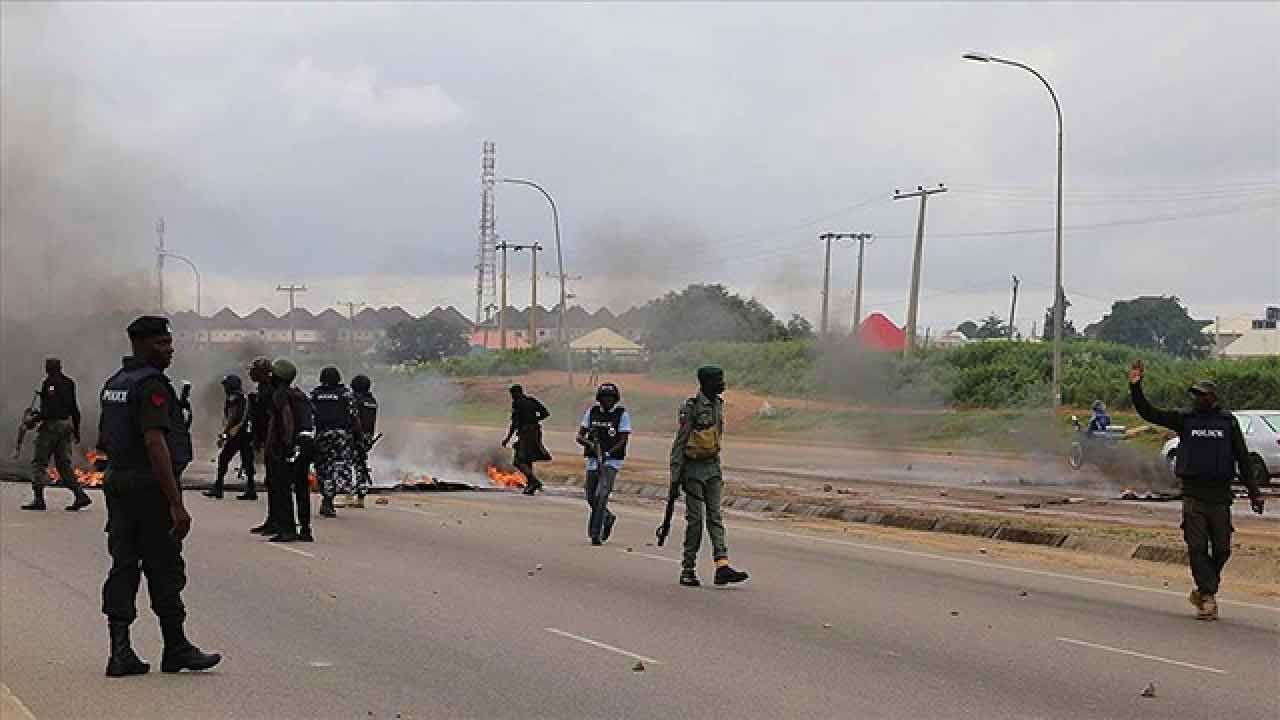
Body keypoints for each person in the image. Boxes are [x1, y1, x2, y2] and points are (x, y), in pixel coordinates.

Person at [98, 315, 220, 677]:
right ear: (142, 344)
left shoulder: (114, 383)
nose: (170, 350)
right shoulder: (151, 385)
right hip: (148, 488)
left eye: (169, 342)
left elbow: (107, 438)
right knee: (164, 565)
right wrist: (176, 503)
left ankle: (120, 652)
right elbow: (155, 442)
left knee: (123, 564)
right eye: (162, 343)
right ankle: (176, 647)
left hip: (119, 483)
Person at [1129, 359, 1264, 620]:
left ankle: (1204, 590)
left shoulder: (1228, 423)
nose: (1197, 399)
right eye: (1195, 395)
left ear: (1212, 397)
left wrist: (1255, 492)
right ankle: (1208, 596)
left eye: (1202, 395)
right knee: (1197, 546)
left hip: (1220, 497)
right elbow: (1149, 413)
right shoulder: (1185, 420)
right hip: (1193, 496)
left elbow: (1243, 458)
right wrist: (1136, 387)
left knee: (1223, 549)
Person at [669, 366, 748, 588]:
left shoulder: (718, 405)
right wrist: (675, 478)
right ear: (705, 383)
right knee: (695, 522)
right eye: (718, 380)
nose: (723, 384)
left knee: (715, 518)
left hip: (712, 468)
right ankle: (688, 569)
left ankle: (722, 566)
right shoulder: (691, 408)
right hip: (692, 471)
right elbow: (680, 443)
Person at [22, 357, 92, 512]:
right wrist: (77, 430)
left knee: (39, 462)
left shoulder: (50, 383)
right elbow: (74, 408)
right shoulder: (69, 383)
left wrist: (34, 419)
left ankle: (39, 499)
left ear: (48, 368)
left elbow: (51, 410)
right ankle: (80, 495)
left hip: (51, 427)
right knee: (63, 465)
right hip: (66, 426)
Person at [266, 359, 315, 543]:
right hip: (307, 443)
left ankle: (288, 529)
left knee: (283, 488)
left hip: (292, 445)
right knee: (302, 488)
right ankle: (305, 529)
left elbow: (287, 419)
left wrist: (286, 446)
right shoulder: (299, 394)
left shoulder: (280, 395)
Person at [577, 383, 630, 545]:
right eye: (605, 398)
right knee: (590, 495)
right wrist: (590, 444)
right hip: (593, 459)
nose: (608, 401)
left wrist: (607, 454)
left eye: (611, 398)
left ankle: (595, 533)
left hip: (612, 461)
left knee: (602, 494)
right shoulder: (592, 412)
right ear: (599, 399)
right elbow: (580, 436)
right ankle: (607, 517)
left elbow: (623, 440)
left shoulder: (621, 414)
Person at [310, 366, 358, 519]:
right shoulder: (346, 394)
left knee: (323, 467)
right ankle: (329, 499)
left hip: (322, 435)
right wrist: (359, 437)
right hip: (340, 436)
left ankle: (327, 498)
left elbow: (309, 416)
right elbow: (354, 416)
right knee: (339, 467)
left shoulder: (315, 394)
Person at [204, 374, 254, 500]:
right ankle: (251, 489)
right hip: (246, 434)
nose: (225, 388)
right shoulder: (243, 397)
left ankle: (218, 487)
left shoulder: (234, 398)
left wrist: (225, 434)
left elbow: (233, 417)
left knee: (224, 459)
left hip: (238, 434)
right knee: (247, 461)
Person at [247, 357, 279, 532]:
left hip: (274, 442)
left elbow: (271, 419)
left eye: (254, 370)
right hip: (267, 441)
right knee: (271, 483)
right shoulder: (263, 389)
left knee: (276, 483)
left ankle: (278, 522)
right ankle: (272, 519)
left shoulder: (271, 391)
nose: (251, 374)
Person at [502, 384, 551, 495]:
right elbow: (545, 413)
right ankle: (530, 485)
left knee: (518, 461)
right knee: (527, 459)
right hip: (536, 432)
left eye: (513, 394)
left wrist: (507, 439)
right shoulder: (531, 400)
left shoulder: (517, 403)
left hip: (526, 434)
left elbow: (514, 423)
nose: (512, 397)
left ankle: (534, 481)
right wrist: (535, 420)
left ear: (516, 393)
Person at [350, 374, 378, 507]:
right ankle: (360, 497)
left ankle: (348, 495)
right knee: (361, 464)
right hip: (367, 437)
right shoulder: (372, 401)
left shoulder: (355, 400)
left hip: (354, 436)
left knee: (347, 464)